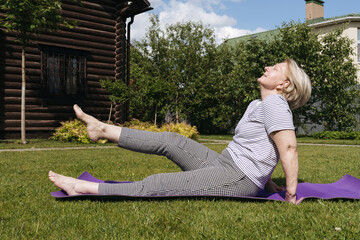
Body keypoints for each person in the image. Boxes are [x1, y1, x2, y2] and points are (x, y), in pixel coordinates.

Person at [49, 59, 311, 204]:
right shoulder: (260, 104)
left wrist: (289, 194)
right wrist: (269, 182)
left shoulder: (276, 103)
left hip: (238, 178)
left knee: (160, 184)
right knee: (171, 140)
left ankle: (82, 187)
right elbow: (262, 150)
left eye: (275, 68)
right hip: (226, 162)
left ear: (284, 84)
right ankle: (102, 128)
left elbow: (287, 148)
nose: (267, 67)